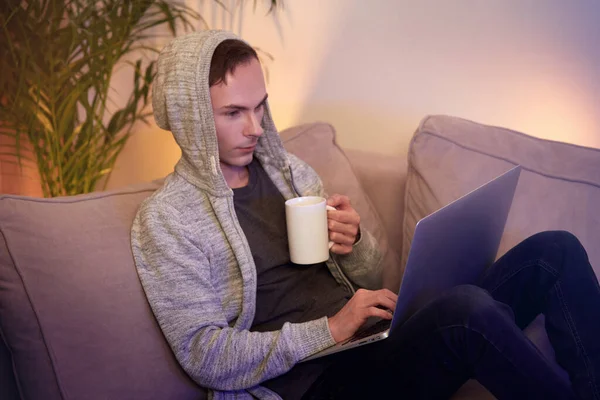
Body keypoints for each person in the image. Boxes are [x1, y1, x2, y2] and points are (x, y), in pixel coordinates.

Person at [131, 30, 600, 400]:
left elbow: (367, 277)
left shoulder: (289, 173)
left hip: (377, 345)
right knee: (468, 311)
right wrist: (331, 330)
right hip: (316, 382)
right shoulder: (168, 220)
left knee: (554, 250)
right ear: (191, 116)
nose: (255, 128)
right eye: (233, 113)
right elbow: (204, 355)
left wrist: (355, 245)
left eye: (260, 107)